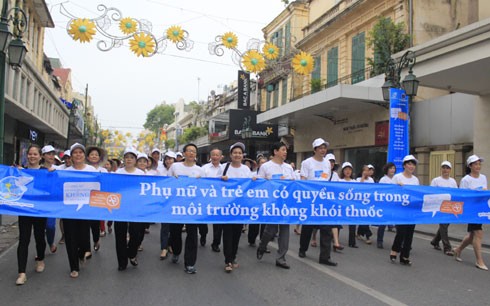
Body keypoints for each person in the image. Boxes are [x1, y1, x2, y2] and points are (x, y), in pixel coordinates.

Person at [298, 138, 337, 266]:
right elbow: (303, 180)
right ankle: (302, 248)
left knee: (326, 228)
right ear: (315, 149)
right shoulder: (307, 163)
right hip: (310, 199)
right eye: (320, 148)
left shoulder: (327, 163)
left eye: (324, 148)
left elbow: (327, 179)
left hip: (324, 199)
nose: (323, 150)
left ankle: (325, 256)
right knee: (308, 226)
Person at [256, 142, 295, 269]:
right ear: (275, 151)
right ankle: (262, 246)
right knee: (270, 230)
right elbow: (260, 184)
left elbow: (294, 184)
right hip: (272, 203)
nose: (285, 152)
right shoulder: (266, 167)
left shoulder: (289, 167)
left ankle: (281, 257)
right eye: (283, 150)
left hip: (285, 204)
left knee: (284, 230)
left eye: (286, 150)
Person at [168, 143, 205, 274]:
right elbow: (165, 183)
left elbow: (206, 189)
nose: (191, 153)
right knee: (175, 233)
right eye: (188, 151)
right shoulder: (175, 166)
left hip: (193, 208)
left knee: (192, 235)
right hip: (176, 206)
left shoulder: (200, 171)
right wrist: (173, 180)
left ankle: (190, 263)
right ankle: (176, 251)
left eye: (194, 151)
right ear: (183, 153)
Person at [61, 143, 96, 278]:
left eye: (80, 152)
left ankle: (82, 254)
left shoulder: (91, 169)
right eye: (75, 153)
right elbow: (50, 173)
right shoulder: (65, 171)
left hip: (86, 210)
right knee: (70, 239)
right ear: (71, 156)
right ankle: (74, 267)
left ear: (84, 155)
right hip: (68, 211)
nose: (78, 155)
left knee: (83, 238)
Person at [15, 145, 49, 285]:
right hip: (24, 210)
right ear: (26, 155)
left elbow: (51, 188)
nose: (32, 156)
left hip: (40, 211)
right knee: (24, 240)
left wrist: (51, 173)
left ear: (40, 156)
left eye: (35, 154)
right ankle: (21, 273)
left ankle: (40, 259)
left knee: (39, 237)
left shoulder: (46, 171)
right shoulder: (20, 172)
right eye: (30, 154)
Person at [219, 142, 253, 272]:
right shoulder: (224, 167)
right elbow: (214, 184)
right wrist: (221, 179)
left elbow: (251, 185)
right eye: (235, 153)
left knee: (237, 234)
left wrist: (254, 180)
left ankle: (233, 257)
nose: (237, 155)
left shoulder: (246, 169)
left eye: (240, 153)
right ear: (230, 155)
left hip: (241, 207)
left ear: (242, 155)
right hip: (227, 207)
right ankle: (227, 260)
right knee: (227, 233)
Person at [453, 155, 488, 270]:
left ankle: (458, 250)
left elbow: (485, 194)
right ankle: (479, 261)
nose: (478, 166)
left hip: (480, 209)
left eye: (479, 164)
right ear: (470, 166)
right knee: (478, 233)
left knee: (472, 235)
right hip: (471, 210)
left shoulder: (483, 177)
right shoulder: (466, 180)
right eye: (475, 164)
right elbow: (462, 196)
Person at [114, 148, 146, 271]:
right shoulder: (117, 172)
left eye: (132, 157)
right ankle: (122, 262)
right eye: (127, 157)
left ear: (135, 160)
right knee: (120, 235)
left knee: (136, 234)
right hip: (120, 208)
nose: (129, 159)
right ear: (124, 159)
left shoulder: (141, 173)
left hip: (136, 208)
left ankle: (132, 254)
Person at [390, 154, 420, 266]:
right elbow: (390, 193)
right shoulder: (397, 177)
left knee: (409, 234)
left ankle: (405, 256)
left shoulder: (415, 180)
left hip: (411, 210)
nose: (411, 166)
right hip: (400, 210)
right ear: (404, 165)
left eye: (413, 164)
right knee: (401, 232)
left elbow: (417, 194)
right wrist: (398, 187)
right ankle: (394, 250)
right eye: (409, 164)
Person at [430, 161, 458, 255]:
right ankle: (447, 247)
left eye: (447, 168)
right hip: (439, 207)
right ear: (441, 169)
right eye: (444, 167)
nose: (445, 170)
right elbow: (431, 193)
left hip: (449, 207)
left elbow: (456, 193)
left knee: (444, 226)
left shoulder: (453, 181)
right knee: (444, 226)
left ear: (450, 170)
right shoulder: (436, 180)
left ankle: (435, 241)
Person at [86, 146, 108, 252]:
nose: (94, 156)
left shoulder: (103, 170)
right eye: (92, 154)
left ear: (99, 157)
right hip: (84, 199)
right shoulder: (83, 168)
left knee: (95, 223)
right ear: (88, 157)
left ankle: (96, 240)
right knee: (85, 224)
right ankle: (86, 248)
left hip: (97, 199)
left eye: (96, 155)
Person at [202, 148, 223, 251]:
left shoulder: (225, 169)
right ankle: (203, 234)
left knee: (218, 223)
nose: (215, 157)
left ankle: (216, 243)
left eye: (217, 155)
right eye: (213, 155)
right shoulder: (204, 168)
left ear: (220, 157)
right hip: (205, 198)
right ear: (210, 156)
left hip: (219, 199)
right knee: (202, 221)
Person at [41, 145, 58, 254]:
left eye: (52, 154)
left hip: (52, 203)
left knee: (50, 226)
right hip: (39, 202)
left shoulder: (58, 169)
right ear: (43, 156)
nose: (51, 156)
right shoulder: (38, 169)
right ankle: (40, 250)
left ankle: (51, 242)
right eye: (48, 154)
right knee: (39, 228)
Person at [159, 151, 177, 260]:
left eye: (171, 159)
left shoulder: (179, 169)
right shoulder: (160, 171)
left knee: (174, 227)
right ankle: (164, 248)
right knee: (165, 226)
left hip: (176, 202)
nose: (168, 161)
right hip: (164, 202)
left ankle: (170, 244)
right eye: (167, 159)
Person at [248, 156, 267, 247]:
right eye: (261, 163)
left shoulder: (268, 175)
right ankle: (252, 239)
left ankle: (263, 243)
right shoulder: (253, 174)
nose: (263, 164)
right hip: (255, 201)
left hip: (265, 201)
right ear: (258, 164)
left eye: (265, 162)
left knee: (264, 223)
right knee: (254, 223)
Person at [376, 162, 396, 248]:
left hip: (394, 204)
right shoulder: (383, 179)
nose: (392, 170)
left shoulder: (396, 178)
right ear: (387, 170)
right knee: (382, 224)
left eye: (393, 168)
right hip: (385, 204)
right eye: (391, 168)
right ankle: (379, 241)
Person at [339, 162, 359, 248]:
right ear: (343, 171)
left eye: (349, 169)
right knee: (338, 222)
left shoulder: (354, 182)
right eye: (346, 169)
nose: (348, 171)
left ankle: (352, 242)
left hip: (351, 205)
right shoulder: (339, 181)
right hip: (341, 204)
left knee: (352, 224)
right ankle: (335, 238)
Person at [356, 165, 374, 245]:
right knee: (364, 219)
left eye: (368, 170)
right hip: (360, 202)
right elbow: (359, 188)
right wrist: (363, 177)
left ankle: (359, 233)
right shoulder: (358, 179)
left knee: (365, 219)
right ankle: (368, 235)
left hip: (369, 201)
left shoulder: (371, 180)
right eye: (365, 170)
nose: (367, 172)